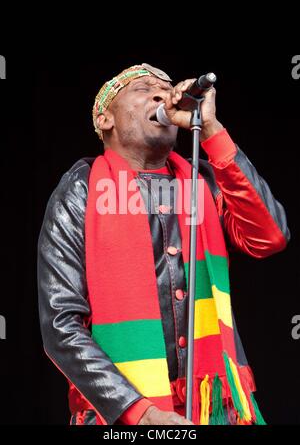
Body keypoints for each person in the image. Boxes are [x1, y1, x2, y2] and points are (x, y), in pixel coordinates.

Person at [37, 63, 290, 426]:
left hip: (215, 408)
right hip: (122, 416)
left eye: (166, 87)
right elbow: (61, 323)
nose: (162, 94)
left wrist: (212, 129)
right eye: (143, 88)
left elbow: (269, 236)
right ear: (105, 119)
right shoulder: (81, 189)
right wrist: (141, 414)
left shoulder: (205, 179)